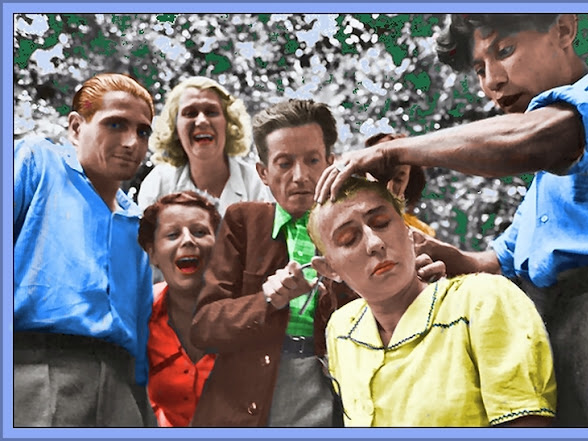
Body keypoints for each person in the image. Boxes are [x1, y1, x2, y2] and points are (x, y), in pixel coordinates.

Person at [315, 14, 588, 427]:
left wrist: (396, 152)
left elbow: (532, 140)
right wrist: (421, 250)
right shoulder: (543, 190)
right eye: (479, 69)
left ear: (564, 30)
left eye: (505, 52)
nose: (492, 81)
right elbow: (494, 263)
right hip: (557, 329)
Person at [189, 99, 446, 427]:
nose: (300, 176)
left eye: (312, 160)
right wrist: (268, 300)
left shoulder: (367, 229)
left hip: (333, 390)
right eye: (283, 163)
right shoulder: (244, 222)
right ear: (263, 173)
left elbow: (389, 321)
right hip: (246, 400)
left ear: (331, 162)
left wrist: (416, 286)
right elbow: (205, 328)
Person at [308, 176, 557, 427]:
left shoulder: (483, 300)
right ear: (329, 268)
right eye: (349, 238)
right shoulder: (342, 328)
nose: (375, 243)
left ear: (410, 233)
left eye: (382, 223)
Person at [13, 73, 156, 427]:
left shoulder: (138, 224)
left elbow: (140, 331)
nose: (130, 142)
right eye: (115, 124)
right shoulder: (38, 163)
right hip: (37, 368)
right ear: (77, 127)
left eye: (142, 131)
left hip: (120, 389)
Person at [137, 190, 221, 427]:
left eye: (200, 232)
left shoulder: (246, 312)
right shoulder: (140, 312)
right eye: (173, 234)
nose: (188, 240)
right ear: (152, 253)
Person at [137, 76, 269, 216]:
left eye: (211, 112)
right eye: (190, 113)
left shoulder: (257, 184)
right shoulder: (159, 183)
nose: (201, 121)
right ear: (174, 128)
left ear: (229, 124)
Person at [365, 132, 436, 237]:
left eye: (398, 179)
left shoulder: (422, 235)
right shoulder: (337, 219)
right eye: (380, 176)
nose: (388, 188)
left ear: (408, 184)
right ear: (362, 173)